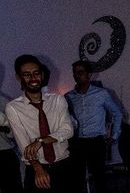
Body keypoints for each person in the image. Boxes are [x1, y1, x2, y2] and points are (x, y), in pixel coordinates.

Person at [5, 55, 76, 193]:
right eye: (27, 74)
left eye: (36, 73)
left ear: (42, 75)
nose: (33, 78)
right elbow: (24, 145)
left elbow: (68, 130)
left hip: (64, 167)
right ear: (19, 78)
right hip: (37, 168)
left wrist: (41, 141)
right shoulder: (13, 107)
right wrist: (38, 169)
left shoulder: (57, 100)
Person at [65, 60, 123, 193]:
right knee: (77, 177)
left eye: (80, 72)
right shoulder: (68, 97)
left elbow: (117, 114)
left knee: (99, 177)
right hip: (77, 141)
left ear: (89, 75)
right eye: (74, 73)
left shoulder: (101, 94)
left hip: (96, 141)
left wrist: (113, 137)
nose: (76, 75)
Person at [1, 94, 23, 193]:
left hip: (4, 154)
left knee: (12, 188)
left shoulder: (4, 102)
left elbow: (14, 132)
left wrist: (4, 127)